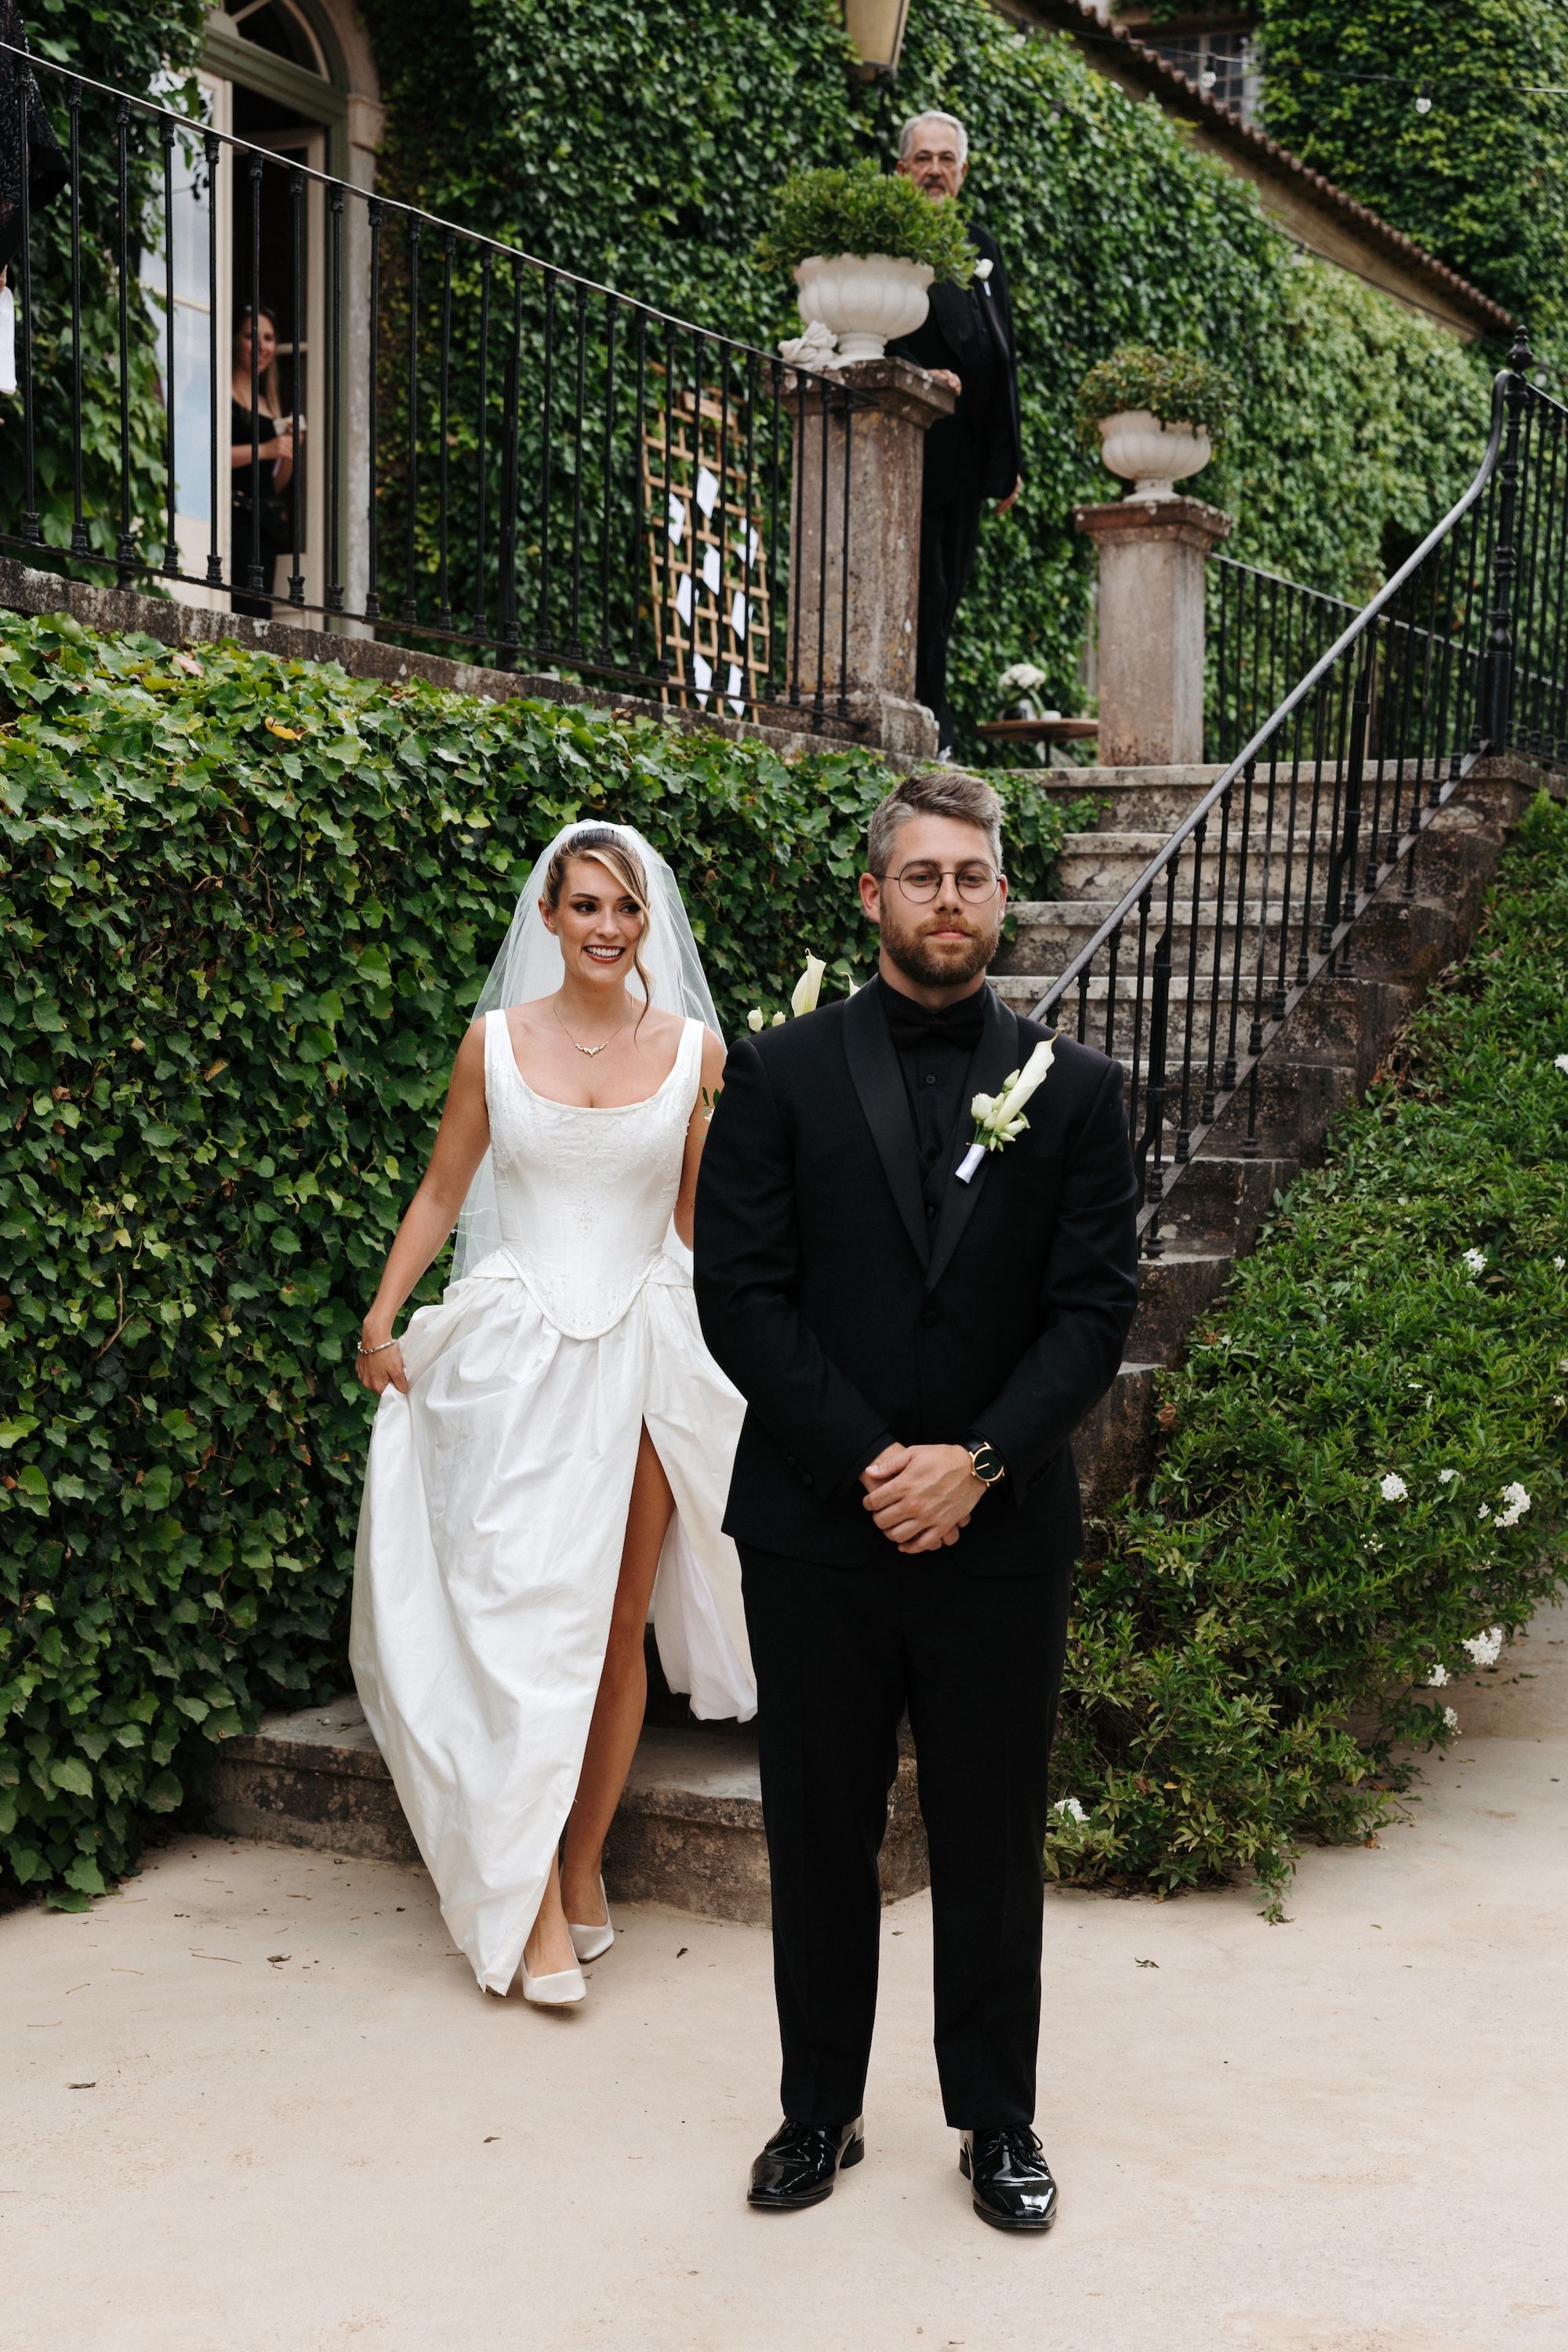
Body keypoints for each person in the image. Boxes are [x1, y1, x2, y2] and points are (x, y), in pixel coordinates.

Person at [694, 770, 1138, 2231]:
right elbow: (742, 1297)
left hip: (1001, 1536)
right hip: (820, 1528)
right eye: (923, 874)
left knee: (991, 1833)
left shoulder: (1076, 1094)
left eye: (974, 876)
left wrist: (981, 1466)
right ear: (873, 894)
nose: (949, 898)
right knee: (819, 1825)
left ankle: (997, 2122)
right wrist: (875, 1463)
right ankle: (816, 2111)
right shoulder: (776, 1073)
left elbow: (1091, 1313)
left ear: (1002, 898)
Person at [351, 823, 755, 2005]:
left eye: (627, 909)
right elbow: (444, 1186)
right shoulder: (493, 1045)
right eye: (586, 906)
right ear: (548, 915)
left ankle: (579, 1867)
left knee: (615, 1621)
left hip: (642, 1341)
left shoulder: (697, 1054)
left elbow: (692, 1225)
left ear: (648, 923)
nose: (608, 929)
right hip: (517, 1349)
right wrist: (383, 1321)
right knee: (517, 1620)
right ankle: (520, 1900)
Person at [886, 111, 1022, 757]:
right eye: (923, 159)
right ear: (902, 170)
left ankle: (932, 723)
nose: (935, 170)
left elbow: (1003, 352)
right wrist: (921, 373)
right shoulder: (889, 239)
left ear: (962, 173)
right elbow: (880, 333)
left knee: (949, 595)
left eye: (946, 159)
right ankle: (927, 730)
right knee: (926, 591)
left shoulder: (981, 244)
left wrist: (1008, 460)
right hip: (915, 448)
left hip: (967, 459)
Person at [229, 303, 298, 619]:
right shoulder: (222, 393)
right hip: (233, 519)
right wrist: (267, 449)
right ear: (234, 340)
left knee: (259, 615)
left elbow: (277, 483)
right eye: (251, 335)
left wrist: (288, 452)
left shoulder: (268, 403)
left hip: (264, 526)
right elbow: (208, 459)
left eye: (268, 338)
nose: (261, 346)